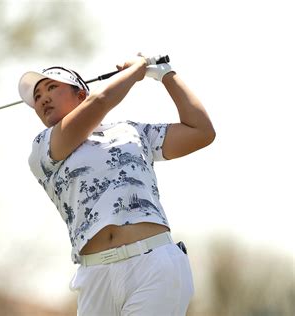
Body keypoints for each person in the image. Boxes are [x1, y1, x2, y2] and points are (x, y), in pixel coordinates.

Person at [18, 53, 215, 316]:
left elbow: (201, 131)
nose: (43, 98)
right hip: (95, 276)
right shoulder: (43, 148)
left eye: (52, 87)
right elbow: (101, 101)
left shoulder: (132, 132)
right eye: (38, 96)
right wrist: (136, 70)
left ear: (80, 95)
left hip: (153, 263)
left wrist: (165, 75)